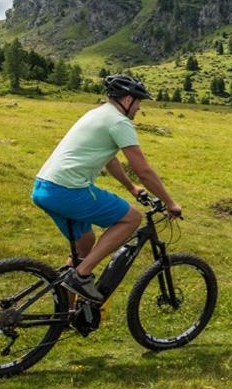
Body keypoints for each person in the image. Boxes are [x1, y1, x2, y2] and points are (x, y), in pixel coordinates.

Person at [31, 74, 182, 301]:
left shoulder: (97, 114)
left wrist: (131, 187)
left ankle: (67, 313)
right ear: (128, 99)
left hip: (44, 188)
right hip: (67, 190)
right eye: (139, 101)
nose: (140, 107)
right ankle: (81, 276)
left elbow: (109, 159)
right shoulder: (119, 122)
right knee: (131, 218)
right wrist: (170, 203)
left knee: (85, 245)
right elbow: (144, 170)